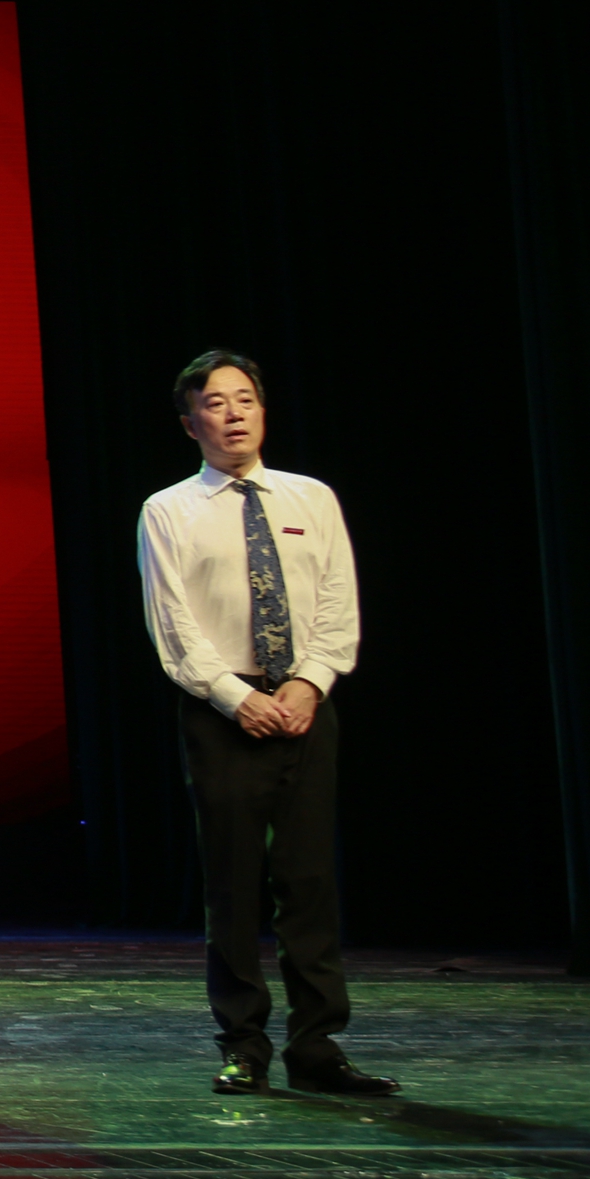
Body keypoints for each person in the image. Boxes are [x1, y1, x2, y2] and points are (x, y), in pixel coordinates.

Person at [138, 350, 394, 1096]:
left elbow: (338, 601)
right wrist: (234, 696)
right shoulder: (169, 510)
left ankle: (317, 1045)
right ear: (191, 422)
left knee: (309, 879)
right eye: (216, 403)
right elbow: (173, 623)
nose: (234, 414)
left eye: (245, 398)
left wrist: (311, 683)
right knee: (233, 884)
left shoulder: (311, 497)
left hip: (306, 705)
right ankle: (243, 1043)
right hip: (224, 712)